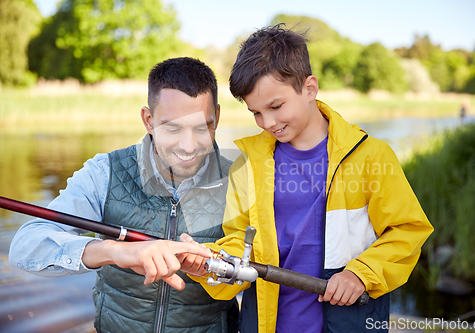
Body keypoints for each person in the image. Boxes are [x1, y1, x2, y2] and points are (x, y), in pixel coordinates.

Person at [191, 25, 434, 332]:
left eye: (276, 106)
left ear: (309, 88)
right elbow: (241, 243)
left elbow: (407, 231)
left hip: (351, 323)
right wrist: (209, 263)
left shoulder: (372, 156)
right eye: (256, 113)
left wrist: (362, 273)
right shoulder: (247, 165)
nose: (267, 123)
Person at [9, 57, 239, 332]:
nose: (188, 146)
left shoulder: (241, 181)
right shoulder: (104, 172)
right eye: (173, 128)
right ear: (148, 120)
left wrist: (218, 267)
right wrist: (114, 251)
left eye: (202, 127)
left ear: (217, 118)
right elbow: (25, 246)